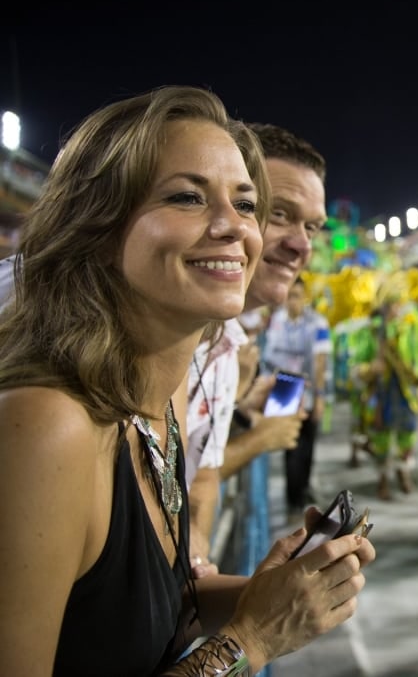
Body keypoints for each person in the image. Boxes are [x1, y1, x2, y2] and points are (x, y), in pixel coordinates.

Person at [0, 85, 374, 675]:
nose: (233, 227)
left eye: (247, 204)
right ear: (97, 229)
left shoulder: (157, 402)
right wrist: (250, 641)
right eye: (187, 197)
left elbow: (130, 610)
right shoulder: (44, 427)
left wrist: (264, 593)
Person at [188, 121, 329, 574]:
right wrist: (257, 440)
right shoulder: (39, 310)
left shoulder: (225, 342)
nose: (301, 244)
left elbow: (197, 486)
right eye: (280, 213)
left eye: (313, 226)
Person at [350, 272, 418, 499]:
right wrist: (371, 369)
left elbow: (417, 360)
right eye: (391, 305)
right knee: (380, 438)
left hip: (405, 393)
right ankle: (382, 479)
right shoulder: (370, 331)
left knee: (408, 435)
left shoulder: (410, 329)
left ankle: (404, 472)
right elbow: (356, 365)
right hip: (380, 393)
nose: (396, 309)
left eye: (398, 304)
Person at [261, 276, 332, 513]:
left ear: (304, 297)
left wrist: (320, 397)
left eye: (297, 296)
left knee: (307, 443)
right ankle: (293, 498)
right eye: (289, 296)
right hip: (284, 387)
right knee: (289, 443)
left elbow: (321, 362)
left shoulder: (318, 324)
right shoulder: (276, 321)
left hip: (309, 389)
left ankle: (302, 489)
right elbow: (269, 357)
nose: (293, 302)